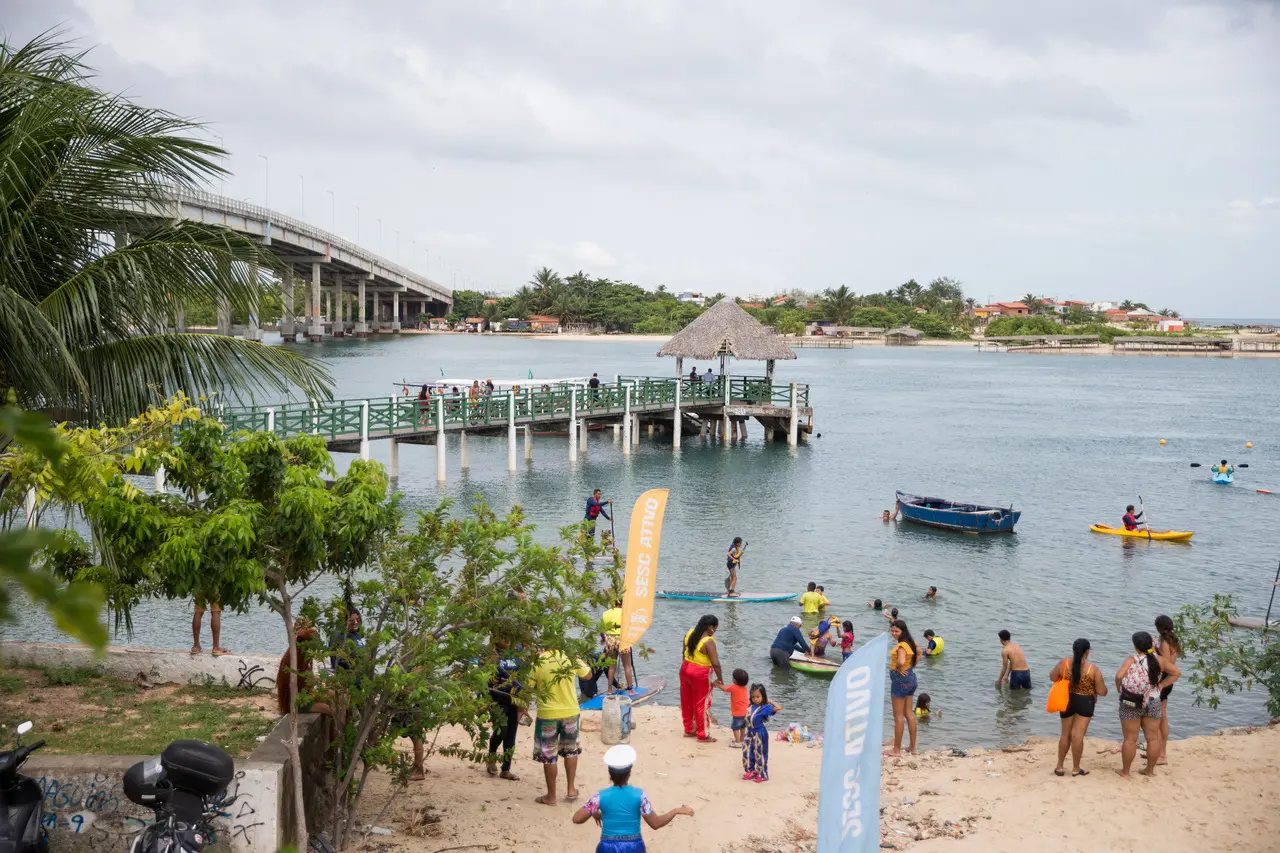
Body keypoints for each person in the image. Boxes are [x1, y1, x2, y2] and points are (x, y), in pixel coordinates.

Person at [573, 744, 694, 853]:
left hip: (607, 848)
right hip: (634, 847)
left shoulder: (600, 796)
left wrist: (593, 811)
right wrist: (676, 810)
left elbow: (577, 819)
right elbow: (655, 824)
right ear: (629, 773)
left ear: (610, 773)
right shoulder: (640, 795)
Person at [528, 648, 592, 805]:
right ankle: (571, 789)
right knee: (571, 750)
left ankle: (551, 796)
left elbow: (528, 686)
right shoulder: (570, 655)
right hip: (570, 712)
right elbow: (588, 675)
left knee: (549, 755)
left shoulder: (538, 660)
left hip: (547, 714)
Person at [1116, 630, 1179, 777]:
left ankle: (1125, 772)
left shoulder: (1131, 659)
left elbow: (1119, 675)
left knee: (1130, 739)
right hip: (1153, 701)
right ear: (1150, 644)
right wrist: (1162, 685)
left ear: (1136, 646)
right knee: (1152, 738)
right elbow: (1176, 673)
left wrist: (1119, 687)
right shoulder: (1160, 660)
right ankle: (1149, 771)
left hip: (1131, 700)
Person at [1050, 638, 1107, 777]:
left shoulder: (1063, 663)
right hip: (1085, 702)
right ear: (1087, 652)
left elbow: (1052, 677)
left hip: (1067, 699)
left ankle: (1059, 767)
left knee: (1065, 735)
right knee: (1077, 736)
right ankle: (1076, 768)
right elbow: (1102, 692)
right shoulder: (1092, 669)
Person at [275, 617, 333, 717]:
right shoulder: (295, 658)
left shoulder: (305, 655)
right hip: (297, 702)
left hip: (305, 695)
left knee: (334, 695)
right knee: (330, 709)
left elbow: (308, 681)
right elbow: (301, 685)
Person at [680, 615, 723, 742]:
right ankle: (702, 734)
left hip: (685, 668)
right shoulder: (708, 641)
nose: (714, 632)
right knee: (702, 704)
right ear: (710, 627)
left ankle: (689, 729)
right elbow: (715, 663)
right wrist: (720, 679)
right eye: (715, 629)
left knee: (686, 701)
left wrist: (686, 666)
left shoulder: (689, 634)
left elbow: (683, 652)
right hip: (700, 673)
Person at [485, 638, 522, 782]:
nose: (506, 640)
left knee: (511, 734)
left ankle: (506, 769)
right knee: (502, 730)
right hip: (496, 698)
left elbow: (524, 673)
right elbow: (483, 678)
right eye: (502, 636)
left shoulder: (517, 650)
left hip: (514, 698)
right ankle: (491, 757)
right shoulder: (490, 653)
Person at [887, 619, 921, 756]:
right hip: (911, 679)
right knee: (909, 714)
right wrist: (911, 666)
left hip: (900, 680)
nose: (894, 633)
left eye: (897, 631)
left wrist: (898, 667)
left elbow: (901, 660)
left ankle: (896, 750)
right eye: (892, 630)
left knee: (898, 716)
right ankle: (912, 748)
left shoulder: (901, 646)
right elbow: (919, 653)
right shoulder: (910, 643)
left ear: (903, 631)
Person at [1154, 615, 1182, 767]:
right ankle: (1158, 750)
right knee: (1161, 715)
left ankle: (1162, 754)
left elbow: (1163, 664)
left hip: (1164, 680)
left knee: (1160, 717)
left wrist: (1153, 650)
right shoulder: (1173, 640)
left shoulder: (1165, 643)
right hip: (1168, 680)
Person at [741, 683, 781, 782]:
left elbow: (778, 707)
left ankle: (763, 774)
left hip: (759, 733)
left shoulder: (765, 707)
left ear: (763, 696)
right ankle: (751, 770)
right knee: (747, 752)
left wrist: (770, 701)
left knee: (760, 753)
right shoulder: (750, 706)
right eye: (753, 697)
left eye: (758, 697)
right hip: (749, 733)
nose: (755, 699)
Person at [602, 599, 635, 692]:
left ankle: (609, 690)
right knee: (627, 666)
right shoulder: (626, 613)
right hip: (622, 639)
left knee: (611, 667)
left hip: (610, 640)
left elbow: (603, 628)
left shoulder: (605, 613)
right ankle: (631, 690)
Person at [716, 669, 751, 747]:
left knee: (735, 728)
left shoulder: (733, 687)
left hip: (738, 713)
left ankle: (737, 742)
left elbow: (724, 689)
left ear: (735, 680)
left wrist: (718, 684)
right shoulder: (745, 687)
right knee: (743, 727)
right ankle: (742, 740)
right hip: (746, 711)